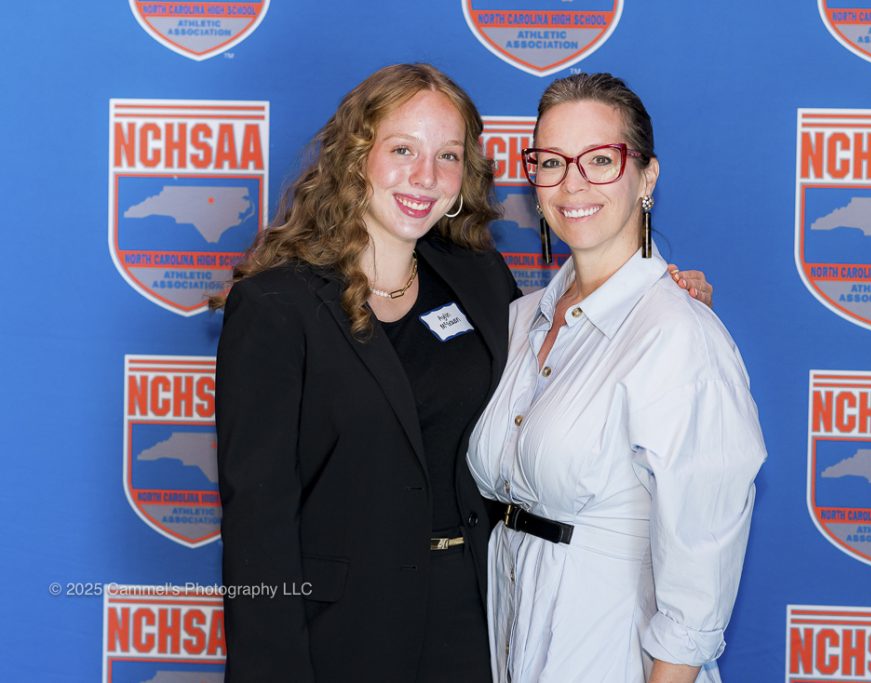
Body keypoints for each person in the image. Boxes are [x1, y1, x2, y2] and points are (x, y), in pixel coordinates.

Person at [213, 64, 712, 682]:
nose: (425, 175)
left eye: (447, 155)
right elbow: (258, 527)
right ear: (356, 158)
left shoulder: (479, 282)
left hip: (478, 626)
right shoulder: (275, 306)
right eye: (403, 149)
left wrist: (658, 301)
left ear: (463, 177)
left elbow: (569, 353)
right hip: (341, 637)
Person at [467, 73, 767, 683]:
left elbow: (699, 583)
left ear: (646, 178)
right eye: (552, 161)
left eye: (600, 159)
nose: (573, 182)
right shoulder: (519, 320)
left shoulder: (680, 336)